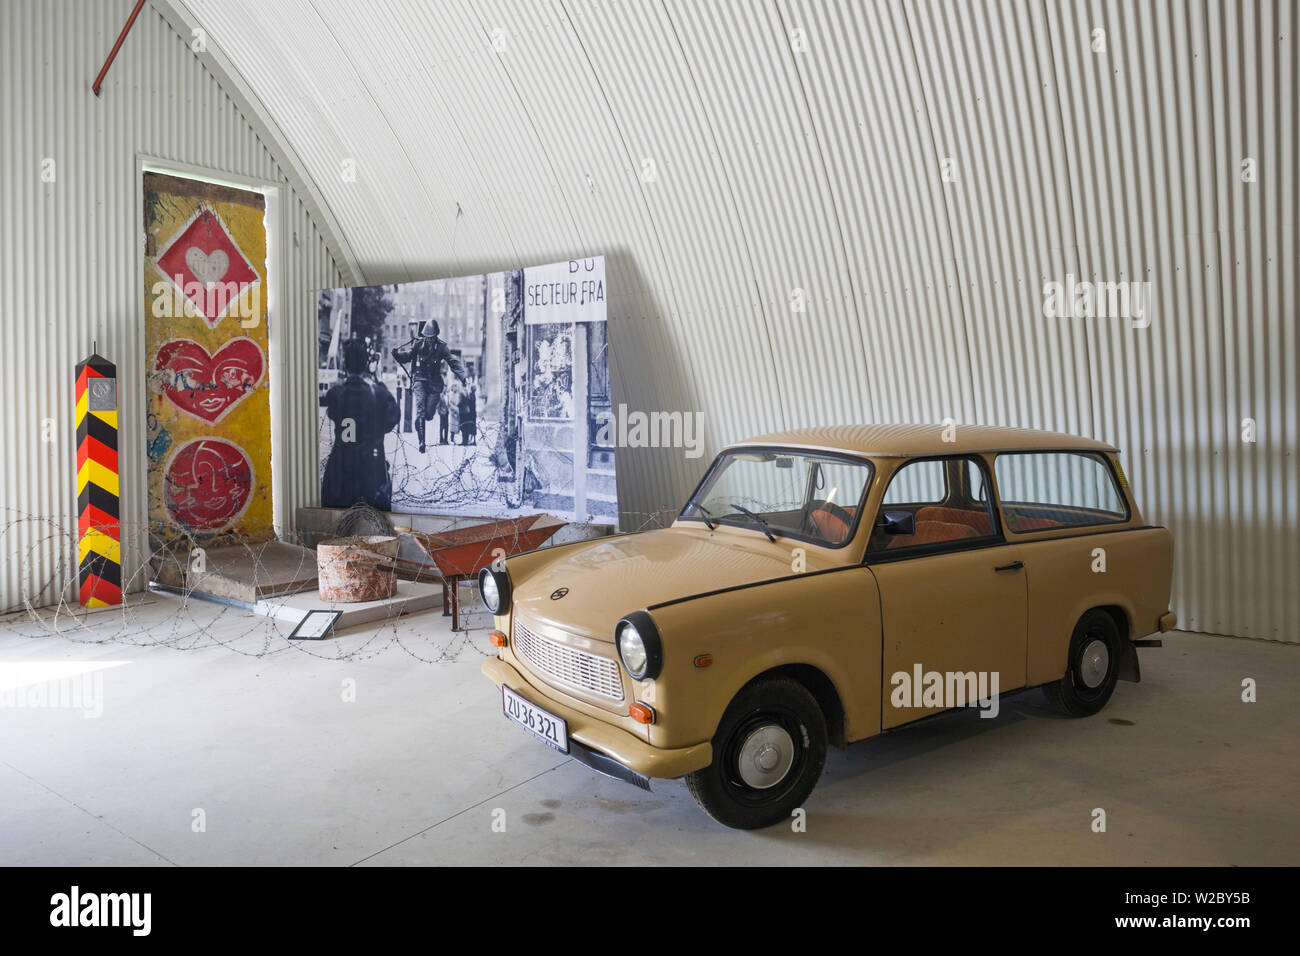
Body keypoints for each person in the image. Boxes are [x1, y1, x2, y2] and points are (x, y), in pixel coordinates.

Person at [321, 337, 400, 511]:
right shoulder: (378, 393)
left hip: (340, 470)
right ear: (366, 363)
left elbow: (333, 412)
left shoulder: (336, 394)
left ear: (344, 363)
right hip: (371, 470)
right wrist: (376, 378)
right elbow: (392, 419)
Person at [392, 321, 466, 453]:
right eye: (427, 337)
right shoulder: (418, 344)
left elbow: (452, 361)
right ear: (424, 335)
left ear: (436, 336)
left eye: (431, 337)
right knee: (420, 409)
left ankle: (420, 421)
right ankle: (422, 442)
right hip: (419, 379)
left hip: (434, 384)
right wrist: (398, 355)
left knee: (429, 415)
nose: (429, 339)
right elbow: (408, 356)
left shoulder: (442, 347)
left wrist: (462, 376)